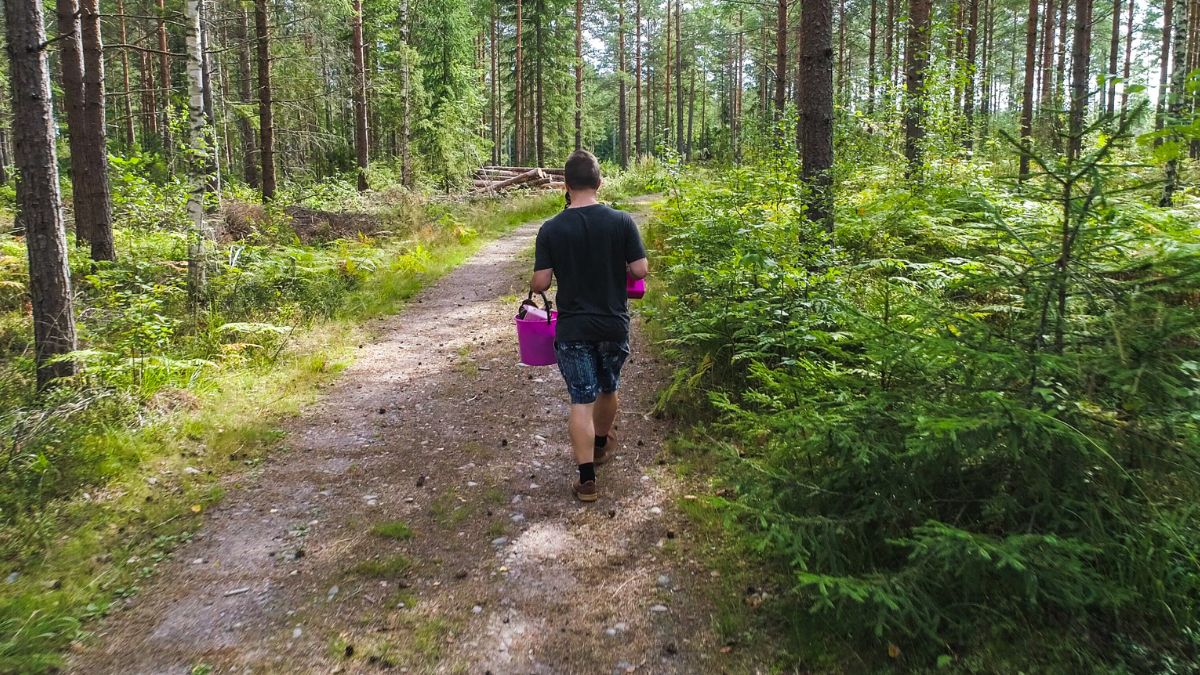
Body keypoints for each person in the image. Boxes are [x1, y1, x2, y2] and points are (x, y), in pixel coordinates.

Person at [530, 150, 648, 502]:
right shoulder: (622, 221)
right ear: (599, 182)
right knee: (608, 389)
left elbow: (540, 283)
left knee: (581, 399)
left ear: (566, 186)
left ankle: (586, 480)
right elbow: (640, 270)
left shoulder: (551, 228)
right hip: (613, 324)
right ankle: (599, 444)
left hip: (573, 330)